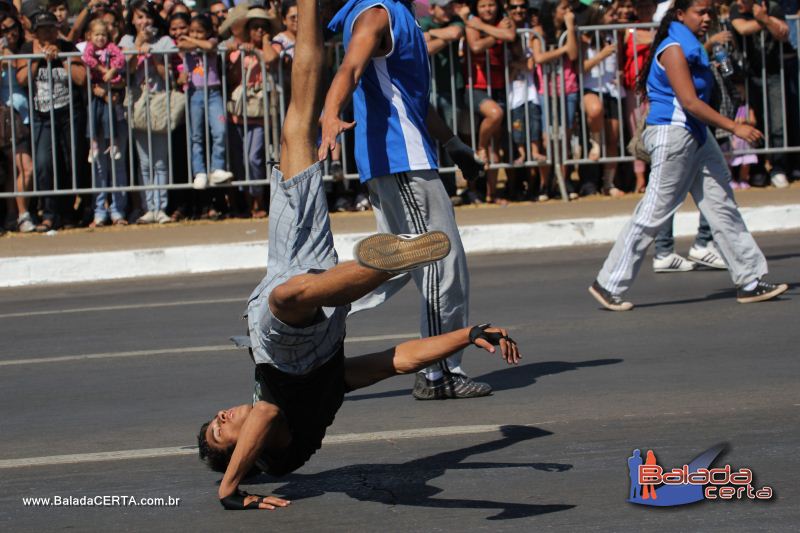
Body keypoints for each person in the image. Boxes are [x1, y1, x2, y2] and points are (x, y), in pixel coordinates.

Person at [196, 0, 521, 510]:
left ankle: (385, 262)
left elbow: (396, 361)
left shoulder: (310, 398)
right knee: (290, 298)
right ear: (251, 455)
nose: (222, 418)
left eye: (214, 422)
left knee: (293, 127)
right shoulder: (283, 442)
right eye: (222, 434)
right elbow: (399, 360)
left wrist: (469, 334)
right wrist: (230, 488)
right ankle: (386, 262)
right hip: (291, 326)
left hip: (293, 302)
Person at [321, 0, 491, 400]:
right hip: (402, 161)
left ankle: (309, 318)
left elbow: (411, 98)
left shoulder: (395, 16)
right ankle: (438, 374)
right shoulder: (376, 14)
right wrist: (330, 113)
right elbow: (350, 68)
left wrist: (451, 142)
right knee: (438, 262)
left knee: (391, 266)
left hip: (403, 160)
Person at [589, 0, 788, 310]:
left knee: (722, 205)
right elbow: (689, 101)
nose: (707, 17)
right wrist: (734, 127)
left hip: (696, 134)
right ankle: (608, 282)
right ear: (680, 14)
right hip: (674, 135)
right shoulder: (673, 48)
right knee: (654, 211)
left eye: (710, 12)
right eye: (700, 12)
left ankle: (750, 280)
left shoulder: (692, 44)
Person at [16, 10, 86, 232]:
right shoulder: (27, 50)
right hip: (42, 117)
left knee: (71, 162)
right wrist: (37, 59)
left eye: (51, 28)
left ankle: (68, 213)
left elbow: (81, 78)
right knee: (44, 163)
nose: (48, 33)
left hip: (69, 114)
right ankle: (48, 214)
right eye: (43, 29)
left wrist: (63, 59)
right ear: (35, 32)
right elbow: (21, 80)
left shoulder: (67, 47)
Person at [119, 0, 175, 225]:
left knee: (160, 159)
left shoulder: (164, 41)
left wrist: (152, 53)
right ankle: (148, 206)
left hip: (160, 103)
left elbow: (168, 75)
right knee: (144, 160)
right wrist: (138, 45)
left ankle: (161, 207)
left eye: (147, 17)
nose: (144, 22)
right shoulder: (126, 41)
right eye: (139, 17)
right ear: (132, 20)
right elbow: (126, 69)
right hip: (137, 104)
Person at [464, 0, 516, 203]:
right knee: (494, 115)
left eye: (491, 5)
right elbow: (475, 46)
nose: (488, 9)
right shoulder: (472, 23)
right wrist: (495, 34)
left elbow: (510, 35)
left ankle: (491, 194)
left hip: (499, 86)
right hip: (475, 86)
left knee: (496, 145)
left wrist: (484, 29)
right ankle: (480, 147)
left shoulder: (504, 21)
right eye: (483, 5)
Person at [176, 14, 232, 190]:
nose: (195, 34)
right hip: (194, 93)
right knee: (196, 135)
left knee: (220, 130)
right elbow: (182, 44)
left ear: (208, 32)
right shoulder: (185, 43)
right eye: (192, 31)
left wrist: (192, 40)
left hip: (214, 92)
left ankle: (217, 168)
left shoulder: (213, 41)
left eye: (199, 31)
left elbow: (209, 45)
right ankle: (199, 171)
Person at [82, 18, 128, 227]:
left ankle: (118, 210)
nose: (100, 38)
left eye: (104, 34)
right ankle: (99, 212)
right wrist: (101, 76)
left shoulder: (115, 50)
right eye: (96, 34)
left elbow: (123, 71)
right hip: (97, 106)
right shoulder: (88, 51)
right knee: (99, 167)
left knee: (117, 165)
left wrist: (111, 80)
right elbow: (87, 69)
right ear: (89, 37)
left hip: (116, 108)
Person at [0, 10, 34, 233]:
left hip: (26, 115)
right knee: (24, 168)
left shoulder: (24, 48)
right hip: (7, 115)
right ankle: (21, 215)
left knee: (17, 170)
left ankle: (15, 215)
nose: (8, 33)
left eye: (12, 28)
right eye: (3, 29)